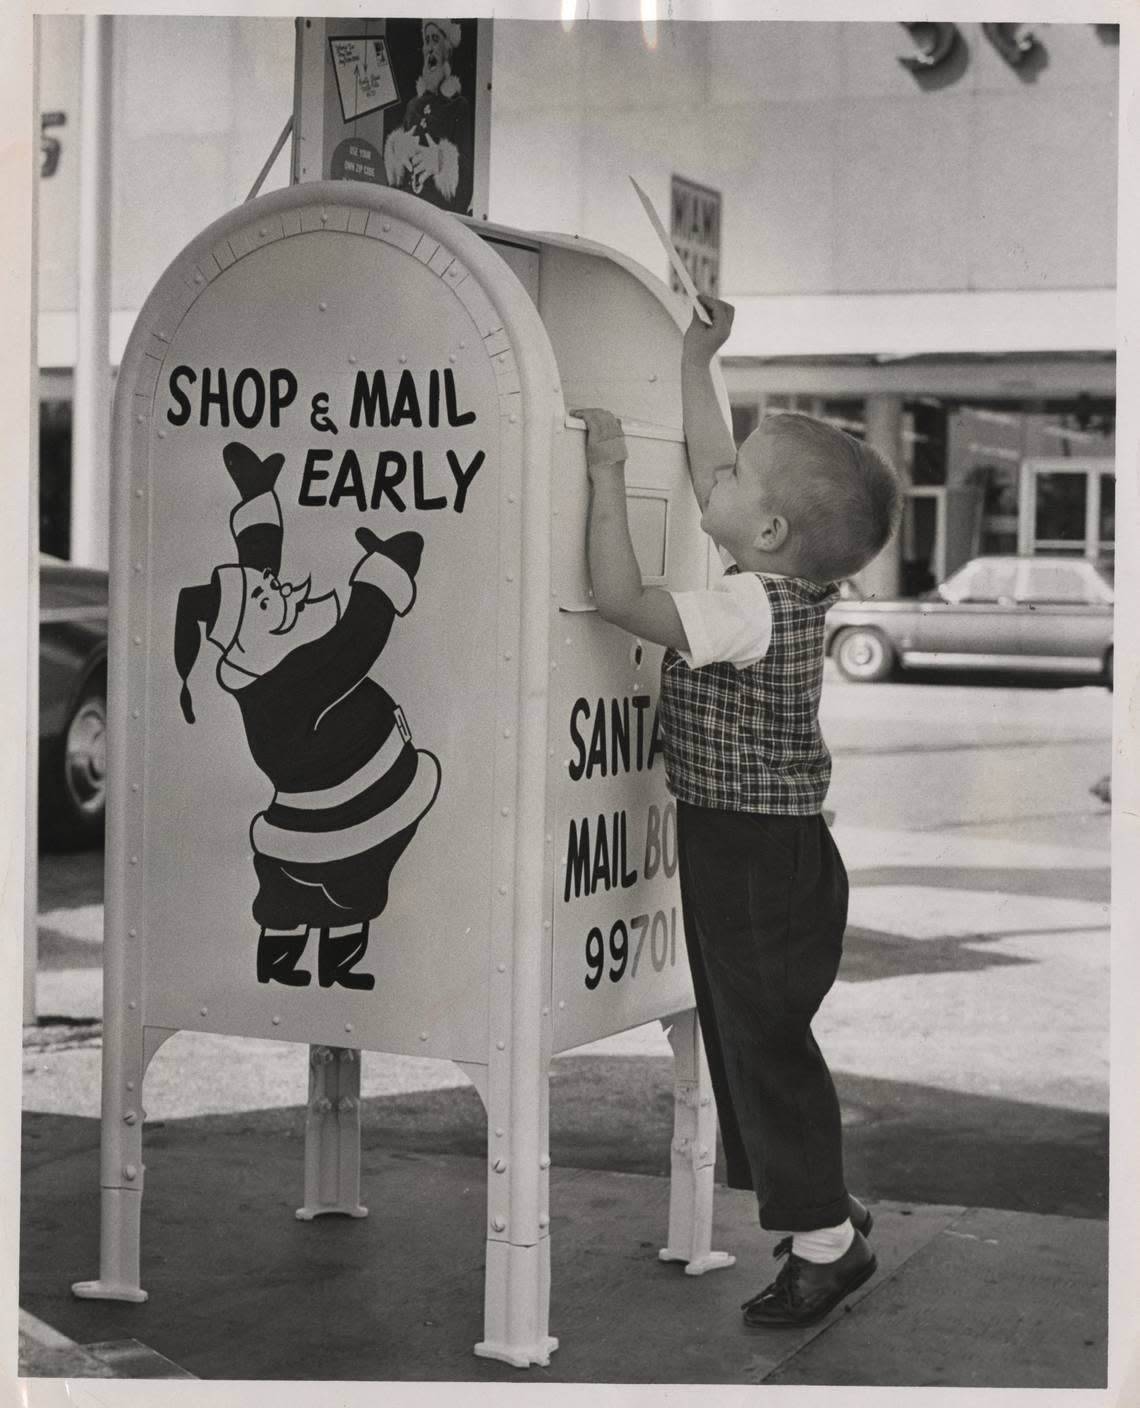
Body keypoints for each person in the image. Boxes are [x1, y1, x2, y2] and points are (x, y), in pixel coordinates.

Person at [574, 293, 902, 1330]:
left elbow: (625, 600)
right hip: (778, 845)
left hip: (750, 851)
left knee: (763, 1042)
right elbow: (719, 459)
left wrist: (607, 477)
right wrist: (696, 360)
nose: (710, 475)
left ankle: (825, 1243)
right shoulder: (776, 582)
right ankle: (816, 1203)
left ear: (764, 530)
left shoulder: (741, 607)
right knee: (749, 1030)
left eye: (733, 480)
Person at [383, 19, 474, 214]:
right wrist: (397, 150)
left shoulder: (459, 106)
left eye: (435, 39)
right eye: (426, 41)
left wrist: (440, 161)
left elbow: (466, 177)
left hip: (436, 214)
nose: (430, 48)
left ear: (447, 50)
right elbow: (394, 178)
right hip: (406, 209)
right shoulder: (413, 106)